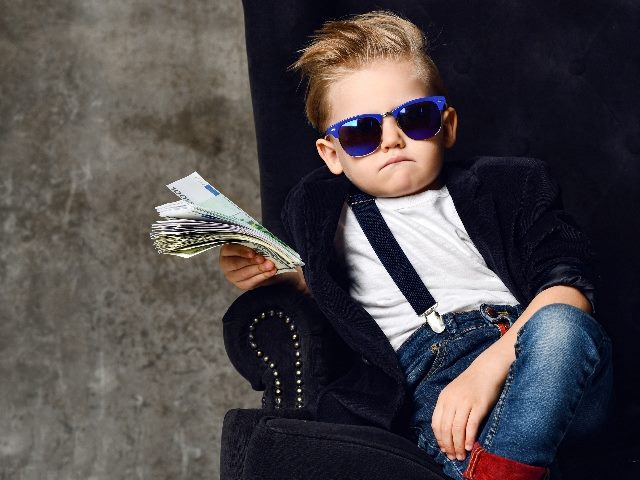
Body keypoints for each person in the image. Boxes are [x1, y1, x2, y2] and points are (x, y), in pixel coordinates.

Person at [219, 11, 613, 480]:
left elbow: (570, 287)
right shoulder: (327, 219)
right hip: (435, 394)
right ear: (332, 154)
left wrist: (487, 371)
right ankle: (501, 468)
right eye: (362, 132)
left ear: (446, 126)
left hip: (535, 361)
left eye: (415, 118)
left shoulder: (509, 186)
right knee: (461, 444)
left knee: (563, 326)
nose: (391, 140)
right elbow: (329, 288)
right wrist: (269, 271)